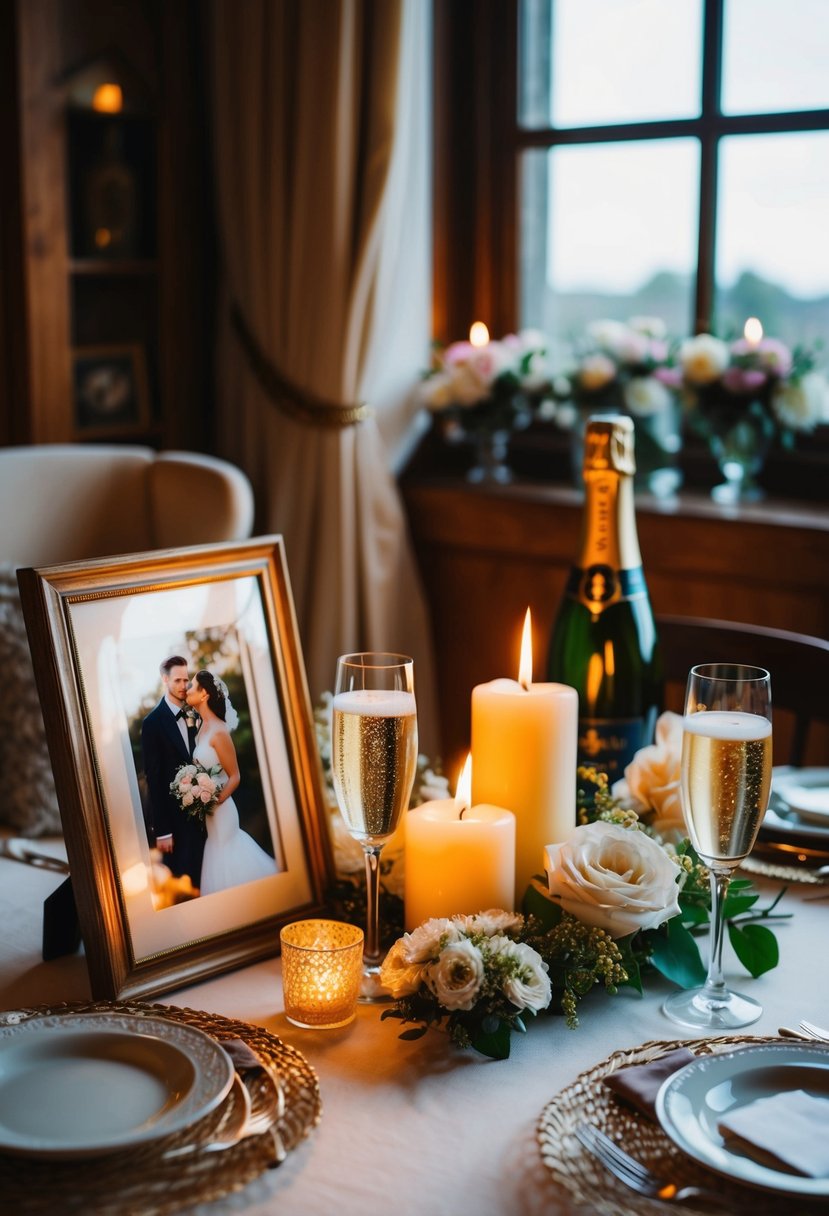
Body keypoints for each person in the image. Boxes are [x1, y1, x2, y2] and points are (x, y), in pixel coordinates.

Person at [187, 670, 277, 896]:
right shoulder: (200, 729)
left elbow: (235, 776)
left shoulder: (219, 731)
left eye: (191, 686)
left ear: (204, 694)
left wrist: (215, 800)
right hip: (209, 814)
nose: (187, 690)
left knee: (227, 857)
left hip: (223, 810)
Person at [141, 655, 205, 889]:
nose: (183, 686)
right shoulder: (152, 723)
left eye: (186, 680)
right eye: (177, 680)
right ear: (165, 680)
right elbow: (154, 780)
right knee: (185, 884)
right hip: (175, 825)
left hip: (202, 818)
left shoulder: (194, 714)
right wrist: (163, 831)